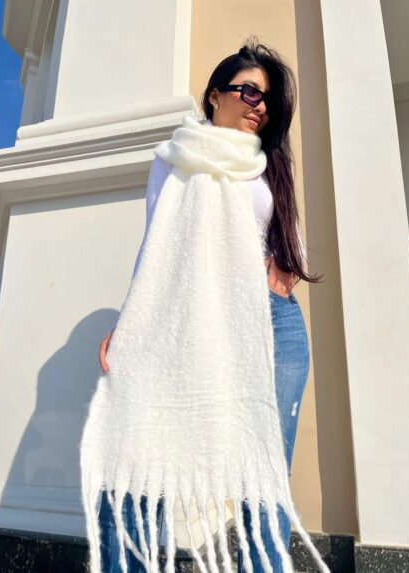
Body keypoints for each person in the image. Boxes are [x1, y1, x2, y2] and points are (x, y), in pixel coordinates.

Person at [96, 36, 323, 573]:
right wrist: (129, 323)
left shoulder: (268, 164)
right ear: (215, 95)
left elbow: (288, 237)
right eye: (249, 92)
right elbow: (155, 245)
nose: (260, 106)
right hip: (188, 314)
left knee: (261, 473)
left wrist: (283, 271)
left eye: (267, 99)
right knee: (142, 455)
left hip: (271, 323)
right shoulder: (175, 158)